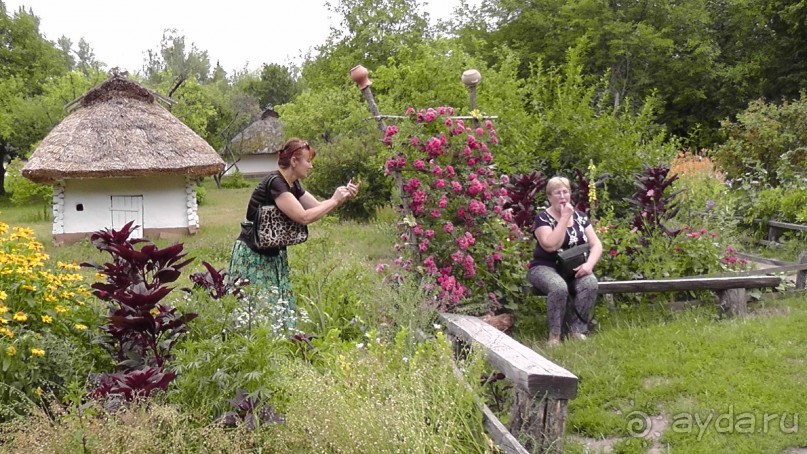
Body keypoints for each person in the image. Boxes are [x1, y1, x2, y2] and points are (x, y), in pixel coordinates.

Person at [229, 138, 359, 330]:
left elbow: (316, 207)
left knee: (272, 309)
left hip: (270, 253)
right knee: (255, 310)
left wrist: (340, 198)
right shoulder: (276, 183)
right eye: (308, 161)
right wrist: (334, 201)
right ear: (294, 161)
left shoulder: (292, 184)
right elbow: (304, 217)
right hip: (253, 255)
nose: (311, 166)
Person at [527, 176, 602, 346]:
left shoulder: (581, 217)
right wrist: (564, 218)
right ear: (549, 197)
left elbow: (596, 244)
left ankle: (577, 331)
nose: (562, 196)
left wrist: (589, 265)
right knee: (558, 286)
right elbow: (550, 245)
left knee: (590, 282)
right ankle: (554, 336)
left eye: (565, 192)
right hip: (544, 267)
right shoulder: (542, 218)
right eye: (557, 193)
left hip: (573, 268)